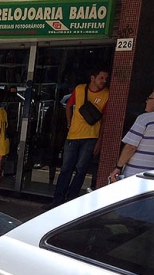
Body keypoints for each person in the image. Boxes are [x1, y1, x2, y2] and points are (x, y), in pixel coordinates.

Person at [43, 68, 109, 210]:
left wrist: (100, 140)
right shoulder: (80, 89)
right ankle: (57, 200)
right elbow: (69, 105)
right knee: (66, 168)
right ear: (93, 78)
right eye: (101, 78)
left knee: (81, 169)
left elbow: (105, 119)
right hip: (73, 135)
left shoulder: (107, 94)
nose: (104, 81)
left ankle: (70, 201)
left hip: (91, 137)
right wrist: (69, 121)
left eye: (106, 78)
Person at [108, 89, 154, 182]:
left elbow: (131, 146)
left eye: (149, 98)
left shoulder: (144, 119)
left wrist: (118, 167)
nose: (146, 101)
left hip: (136, 175)